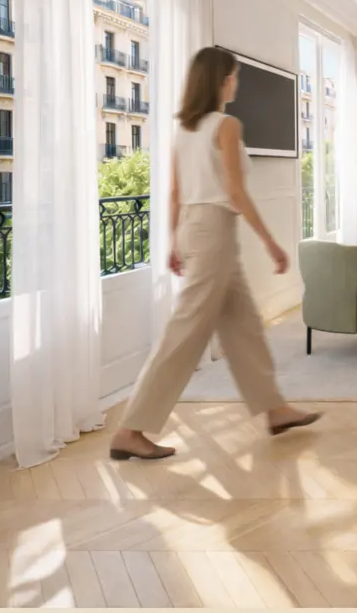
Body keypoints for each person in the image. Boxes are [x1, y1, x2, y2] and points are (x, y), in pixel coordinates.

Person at [110, 46, 319, 460]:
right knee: (185, 332)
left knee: (243, 326)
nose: (236, 82)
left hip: (195, 227)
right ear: (222, 80)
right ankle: (131, 430)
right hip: (214, 232)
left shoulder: (185, 130)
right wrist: (271, 242)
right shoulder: (226, 125)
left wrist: (174, 241)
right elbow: (236, 192)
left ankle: (274, 409)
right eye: (234, 75)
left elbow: (174, 192)